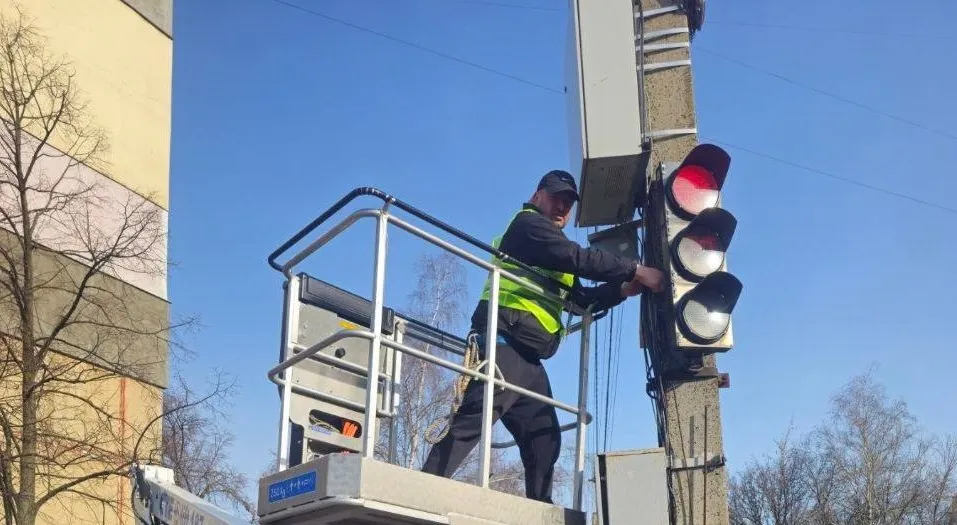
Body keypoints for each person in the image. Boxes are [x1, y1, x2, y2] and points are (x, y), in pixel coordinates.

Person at [420, 169, 665, 503]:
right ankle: (421, 488)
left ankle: (541, 508)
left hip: (529, 359)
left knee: (544, 437)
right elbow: (577, 258)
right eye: (556, 198)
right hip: (503, 340)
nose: (562, 207)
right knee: (473, 421)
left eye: (568, 203)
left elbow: (580, 299)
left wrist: (622, 289)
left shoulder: (552, 251)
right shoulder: (528, 225)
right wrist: (635, 269)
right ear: (537, 196)